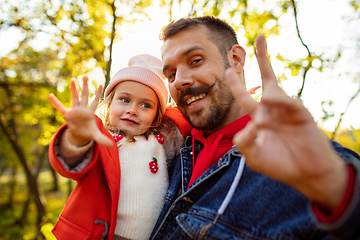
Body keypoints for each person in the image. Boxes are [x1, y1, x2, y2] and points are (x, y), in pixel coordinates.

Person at [148, 16, 360, 239]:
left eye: (196, 60)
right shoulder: (167, 156)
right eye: (170, 75)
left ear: (236, 60)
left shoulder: (302, 160)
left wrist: (335, 186)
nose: (179, 81)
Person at [48, 54, 192, 240]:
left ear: (157, 114)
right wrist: (76, 138)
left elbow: (189, 124)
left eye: (145, 105)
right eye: (125, 99)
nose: (132, 110)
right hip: (102, 234)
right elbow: (70, 163)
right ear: (109, 103)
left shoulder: (162, 143)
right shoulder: (100, 139)